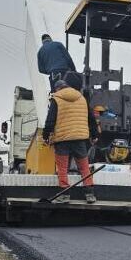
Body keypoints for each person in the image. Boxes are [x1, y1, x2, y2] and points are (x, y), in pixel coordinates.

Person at [43, 72, 99, 203]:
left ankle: (64, 195)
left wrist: (46, 135)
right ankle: (90, 194)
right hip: (80, 138)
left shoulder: (56, 99)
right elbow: (91, 119)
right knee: (84, 167)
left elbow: (50, 120)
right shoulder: (82, 99)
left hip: (62, 139)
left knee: (62, 168)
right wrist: (95, 134)